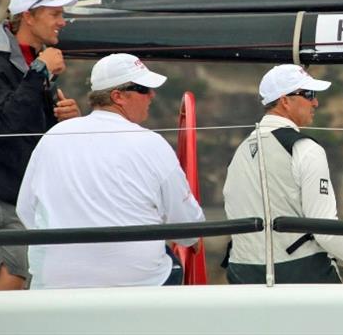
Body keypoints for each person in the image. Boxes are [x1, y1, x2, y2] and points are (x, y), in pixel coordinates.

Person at [16, 53, 205, 289]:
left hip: (58, 282)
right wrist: (191, 239)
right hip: (138, 283)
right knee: (171, 266)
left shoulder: (53, 137)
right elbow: (185, 221)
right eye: (144, 89)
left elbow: (25, 209)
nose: (152, 95)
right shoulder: (151, 143)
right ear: (118, 96)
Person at [223, 64, 343, 283]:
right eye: (308, 94)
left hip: (242, 277)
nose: (315, 102)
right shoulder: (305, 149)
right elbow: (326, 231)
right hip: (300, 276)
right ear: (285, 100)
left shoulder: (238, 154)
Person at [0, 0, 80, 290]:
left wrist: (67, 122)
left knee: (29, 293)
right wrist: (40, 72)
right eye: (55, 14)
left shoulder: (29, 67)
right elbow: (3, 126)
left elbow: (32, 138)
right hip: (3, 201)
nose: (62, 22)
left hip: (31, 202)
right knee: (8, 291)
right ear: (28, 17)